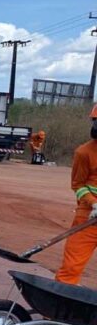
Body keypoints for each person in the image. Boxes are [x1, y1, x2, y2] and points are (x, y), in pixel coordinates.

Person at [55, 106, 97, 284]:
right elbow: (78, 185)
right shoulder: (84, 152)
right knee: (71, 268)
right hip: (88, 217)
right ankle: (56, 309)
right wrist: (93, 204)